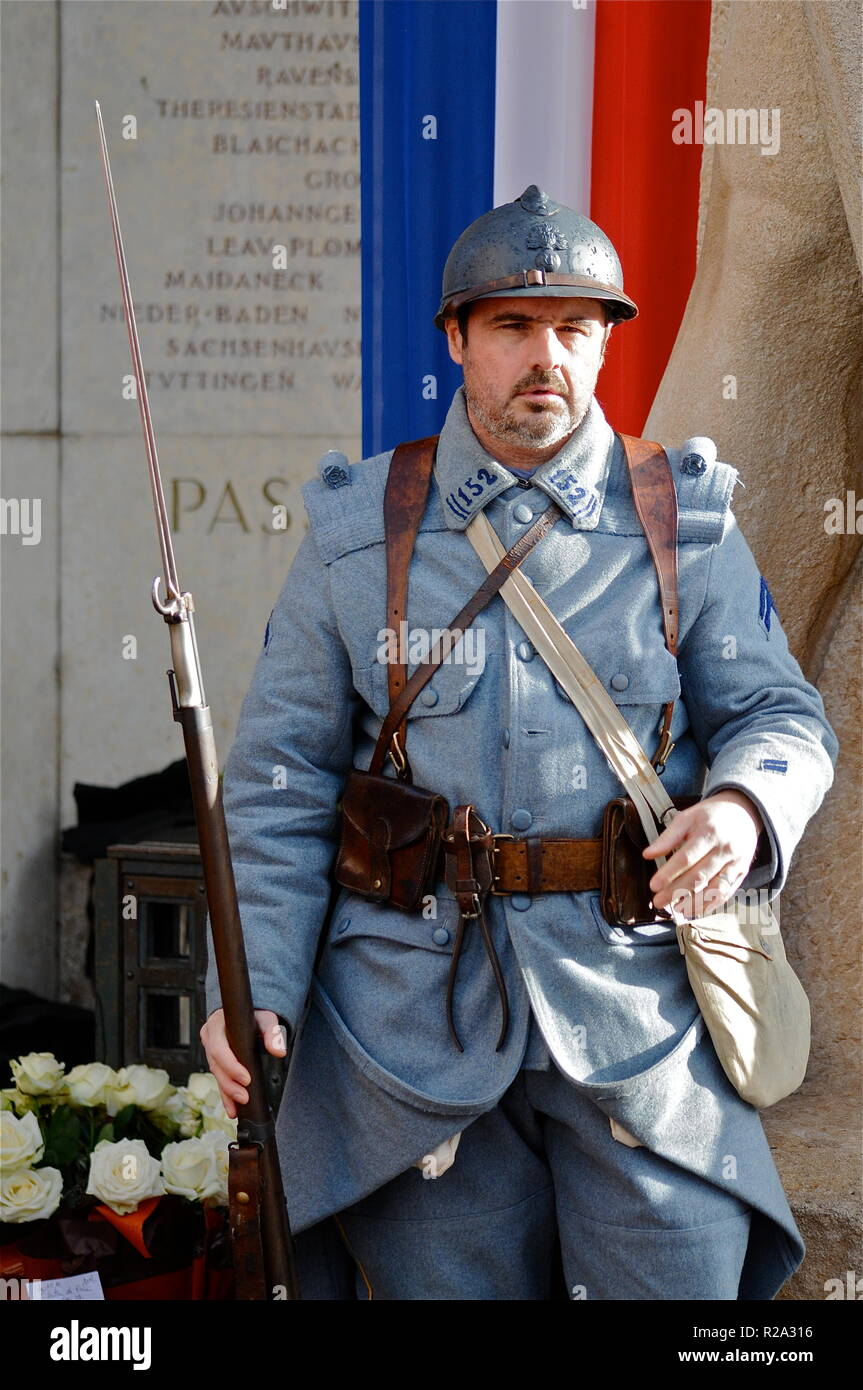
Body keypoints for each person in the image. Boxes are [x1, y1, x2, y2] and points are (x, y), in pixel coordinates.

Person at [201, 185, 838, 1301]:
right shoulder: (359, 529)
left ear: (601, 342)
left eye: (574, 327)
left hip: (643, 1023)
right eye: (511, 325)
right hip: (409, 1029)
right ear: (455, 339)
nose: (546, 354)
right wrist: (252, 985)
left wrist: (742, 809)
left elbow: (779, 719)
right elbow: (276, 784)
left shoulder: (682, 517)